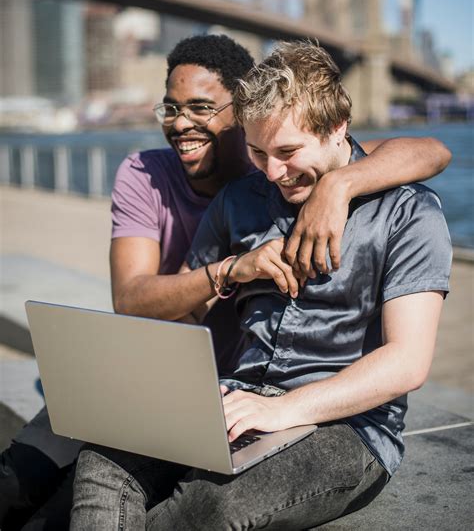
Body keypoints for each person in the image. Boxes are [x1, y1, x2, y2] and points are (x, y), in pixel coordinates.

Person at [0, 35, 451, 531]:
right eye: (257, 152)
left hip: (348, 427)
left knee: (212, 506)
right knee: (105, 463)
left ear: (338, 127)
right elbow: (178, 312)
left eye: (288, 151)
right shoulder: (239, 200)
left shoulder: (408, 212)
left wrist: (283, 410)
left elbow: (407, 363)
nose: (275, 172)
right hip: (235, 396)